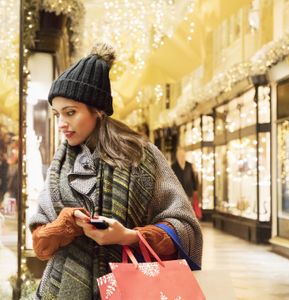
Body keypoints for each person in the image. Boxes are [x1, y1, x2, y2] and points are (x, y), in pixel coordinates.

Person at [29, 44, 202, 299]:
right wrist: (66, 224)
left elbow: (185, 227)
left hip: (129, 288)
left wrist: (129, 236)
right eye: (57, 114)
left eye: (71, 112)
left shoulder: (140, 156)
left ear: (97, 110)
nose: (62, 124)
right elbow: (41, 245)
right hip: (60, 288)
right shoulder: (60, 164)